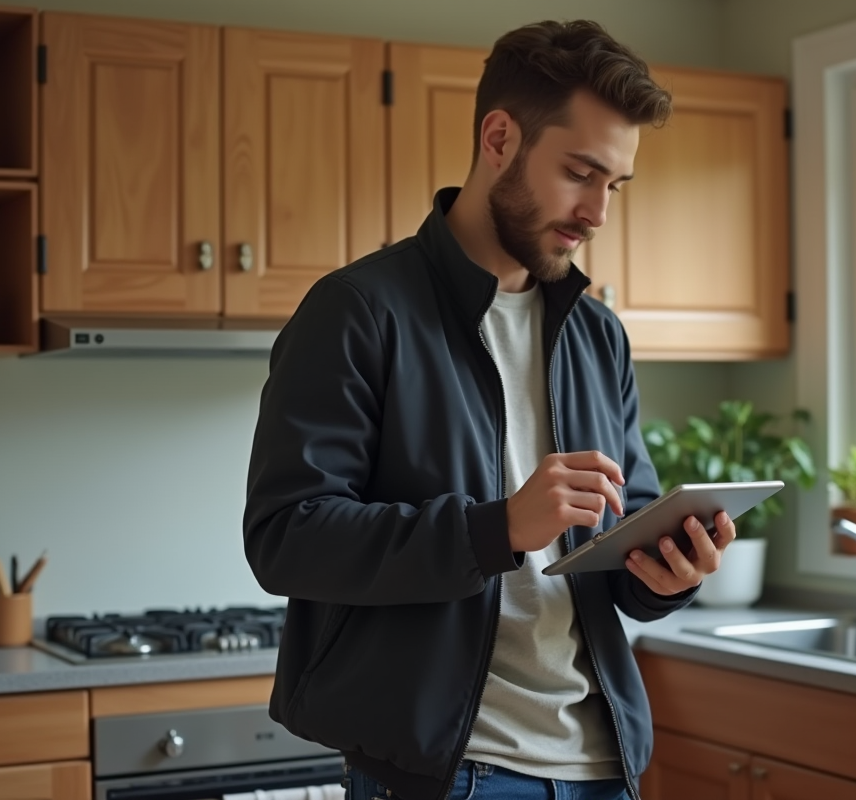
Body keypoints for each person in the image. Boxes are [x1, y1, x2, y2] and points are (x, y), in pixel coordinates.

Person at [243, 19, 736, 800]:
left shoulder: (596, 332)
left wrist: (669, 572)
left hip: (602, 765)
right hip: (453, 772)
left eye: (615, 184)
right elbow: (286, 538)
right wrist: (497, 528)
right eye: (580, 172)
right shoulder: (359, 311)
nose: (599, 211)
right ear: (500, 137)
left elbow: (622, 526)